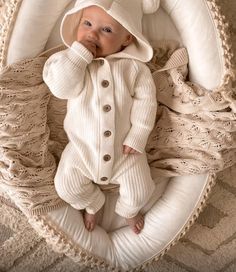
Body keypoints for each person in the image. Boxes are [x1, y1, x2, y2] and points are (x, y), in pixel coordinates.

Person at [43, 0, 159, 234]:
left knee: (141, 190)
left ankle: (128, 209)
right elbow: (60, 88)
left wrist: (138, 134)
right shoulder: (69, 62)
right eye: (87, 23)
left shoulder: (134, 69)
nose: (92, 34)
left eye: (106, 30)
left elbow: (146, 102)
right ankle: (92, 202)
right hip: (81, 149)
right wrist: (78, 56)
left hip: (126, 153)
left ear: (127, 38)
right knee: (66, 186)